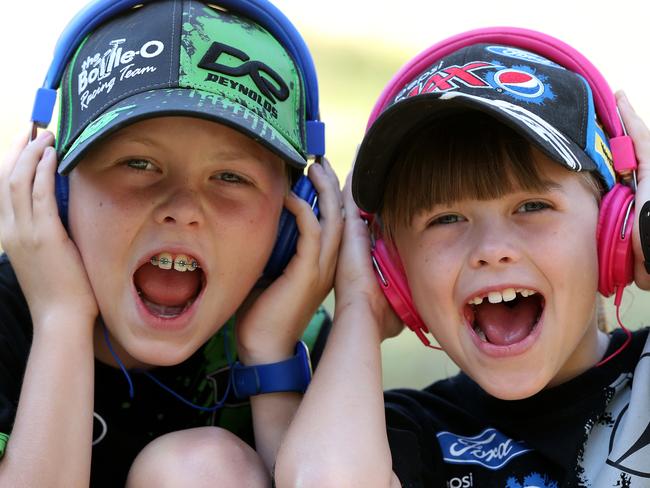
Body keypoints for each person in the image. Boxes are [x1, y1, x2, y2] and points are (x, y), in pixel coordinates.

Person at [275, 29, 650, 487]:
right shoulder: (407, 433)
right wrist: (359, 304)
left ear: (613, 224)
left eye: (532, 207)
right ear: (394, 271)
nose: (491, 251)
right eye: (445, 218)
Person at [0, 1, 342, 487]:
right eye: (138, 164)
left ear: (293, 218)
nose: (183, 208)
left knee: (204, 468)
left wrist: (271, 357)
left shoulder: (297, 343)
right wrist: (62, 317)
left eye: (230, 176)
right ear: (53, 191)